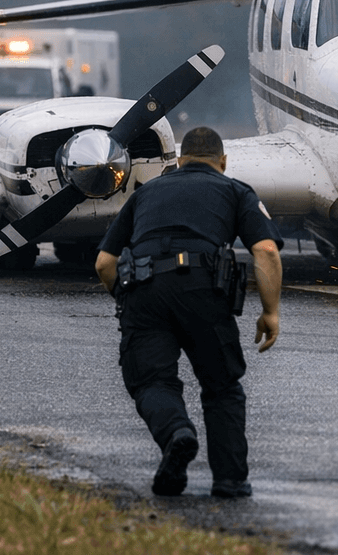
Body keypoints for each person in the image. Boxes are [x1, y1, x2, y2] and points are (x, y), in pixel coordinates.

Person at [95, 126, 283, 499]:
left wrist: (127, 300)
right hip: (203, 290)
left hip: (144, 291)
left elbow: (104, 263)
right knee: (221, 386)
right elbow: (266, 251)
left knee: (151, 382)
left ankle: (177, 432)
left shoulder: (147, 192)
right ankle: (229, 481)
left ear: (179, 161)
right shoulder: (234, 190)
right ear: (223, 162)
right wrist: (270, 312)